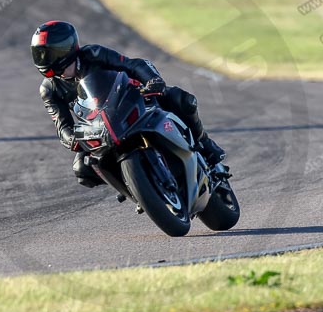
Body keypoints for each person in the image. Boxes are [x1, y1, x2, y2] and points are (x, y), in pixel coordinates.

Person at [31, 20, 225, 188]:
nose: (44, 60)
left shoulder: (94, 54)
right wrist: (72, 140)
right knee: (82, 169)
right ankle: (135, 186)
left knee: (181, 100)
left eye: (48, 53)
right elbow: (62, 125)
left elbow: (134, 65)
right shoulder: (49, 89)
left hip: (131, 100)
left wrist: (152, 81)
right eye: (39, 54)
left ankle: (205, 144)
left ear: (65, 49)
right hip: (97, 127)